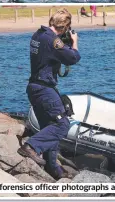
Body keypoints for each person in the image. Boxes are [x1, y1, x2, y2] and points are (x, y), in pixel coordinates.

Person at [17, 8, 81, 180]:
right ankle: (31, 146)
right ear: (66, 26)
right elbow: (72, 58)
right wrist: (74, 42)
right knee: (62, 125)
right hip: (44, 89)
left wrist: (62, 41)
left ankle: (53, 169)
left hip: (34, 87)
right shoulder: (53, 41)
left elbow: (49, 54)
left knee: (49, 127)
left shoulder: (38, 35)